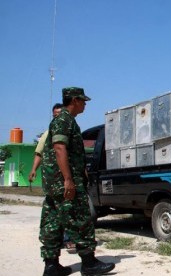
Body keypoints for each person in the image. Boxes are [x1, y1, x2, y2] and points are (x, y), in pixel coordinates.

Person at [40, 87, 115, 276]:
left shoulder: (64, 121)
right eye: (83, 101)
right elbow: (59, 148)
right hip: (63, 182)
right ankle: (89, 263)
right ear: (74, 100)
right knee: (81, 219)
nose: (85, 104)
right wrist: (68, 179)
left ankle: (51, 266)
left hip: (53, 183)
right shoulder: (64, 120)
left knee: (53, 223)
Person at [29, 103, 77, 253]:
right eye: (55, 115)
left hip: (64, 178)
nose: (58, 117)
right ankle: (64, 241)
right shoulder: (49, 132)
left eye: (60, 114)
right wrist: (33, 170)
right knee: (62, 210)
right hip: (56, 180)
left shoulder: (70, 129)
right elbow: (39, 152)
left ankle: (56, 249)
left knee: (65, 209)